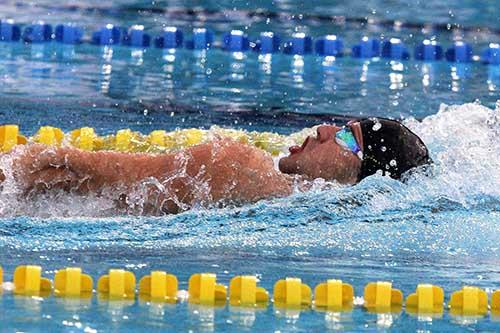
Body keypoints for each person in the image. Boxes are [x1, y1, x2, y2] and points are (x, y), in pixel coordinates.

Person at [0, 118, 431, 214]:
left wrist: (20, 164)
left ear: (363, 175)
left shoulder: (235, 164)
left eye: (344, 136)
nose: (322, 129)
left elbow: (73, 167)